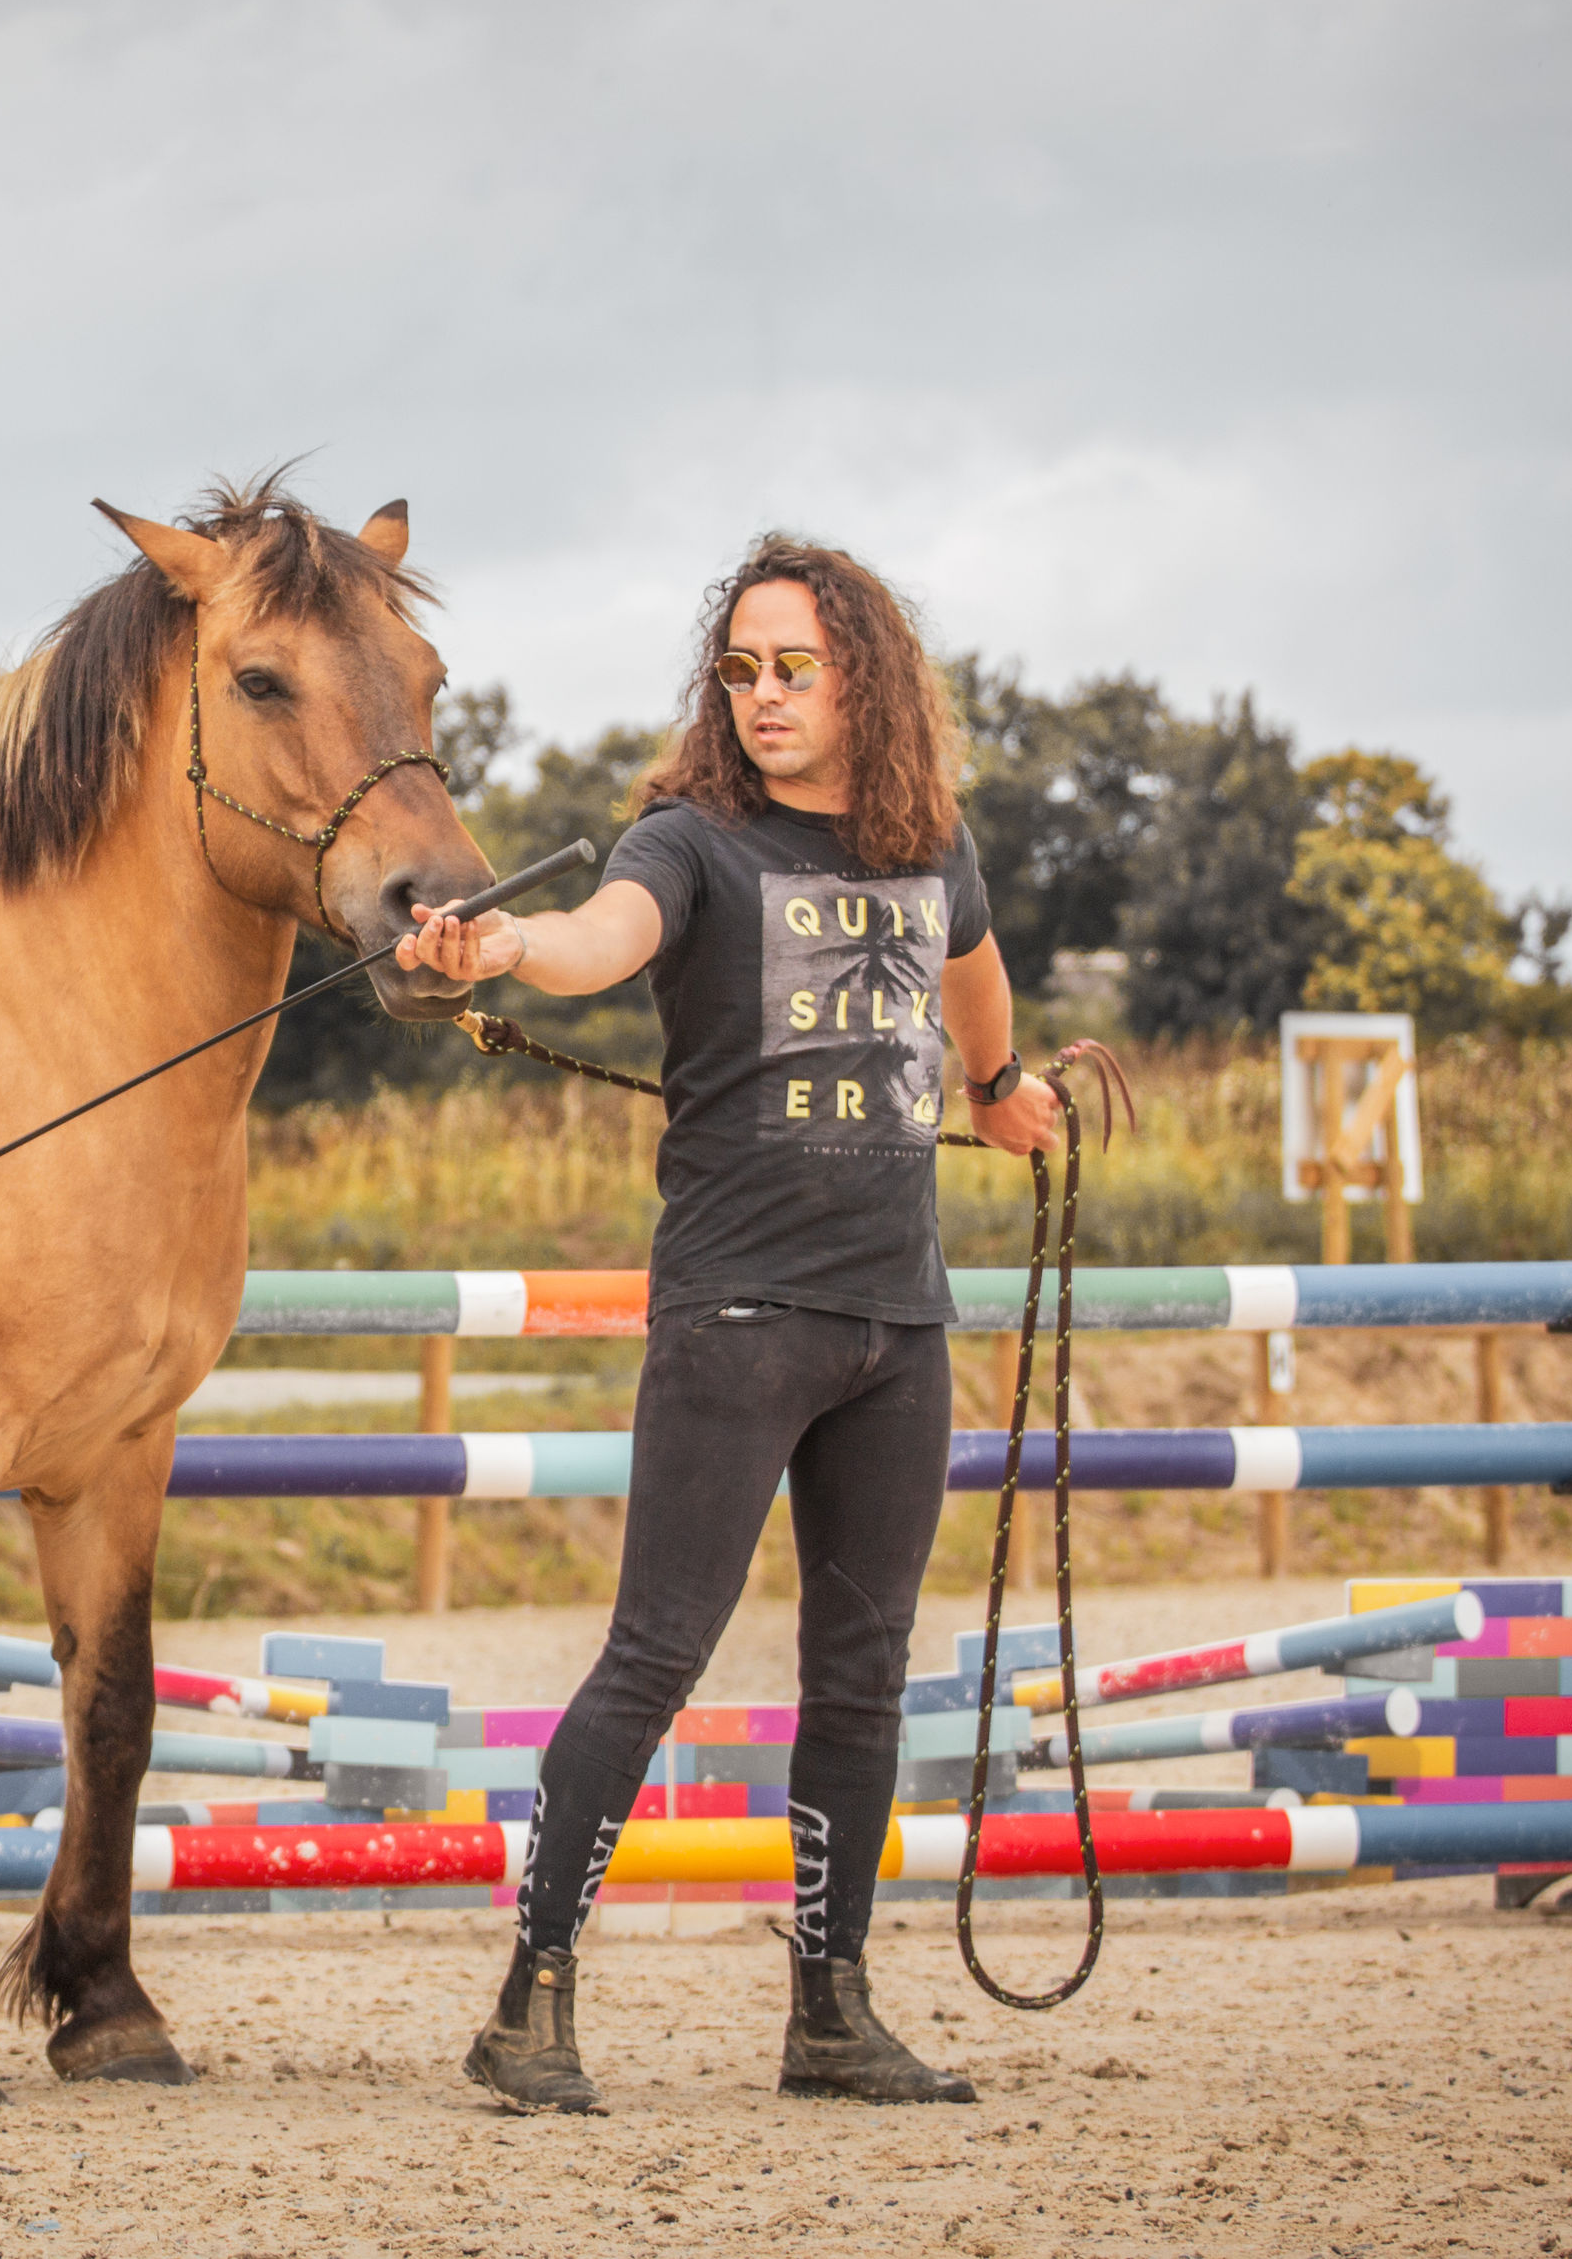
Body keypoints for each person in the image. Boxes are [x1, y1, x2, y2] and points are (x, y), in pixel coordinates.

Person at [395, 535, 1061, 2113]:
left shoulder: (928, 842)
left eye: (795, 669)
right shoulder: (689, 841)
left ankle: (831, 2013)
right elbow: (600, 936)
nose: (764, 696)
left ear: (863, 682)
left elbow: (975, 971)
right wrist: (504, 946)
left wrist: (995, 1089)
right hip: (736, 1316)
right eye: (741, 670)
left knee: (864, 1674)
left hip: (898, 1325)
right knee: (654, 1658)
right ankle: (531, 2000)